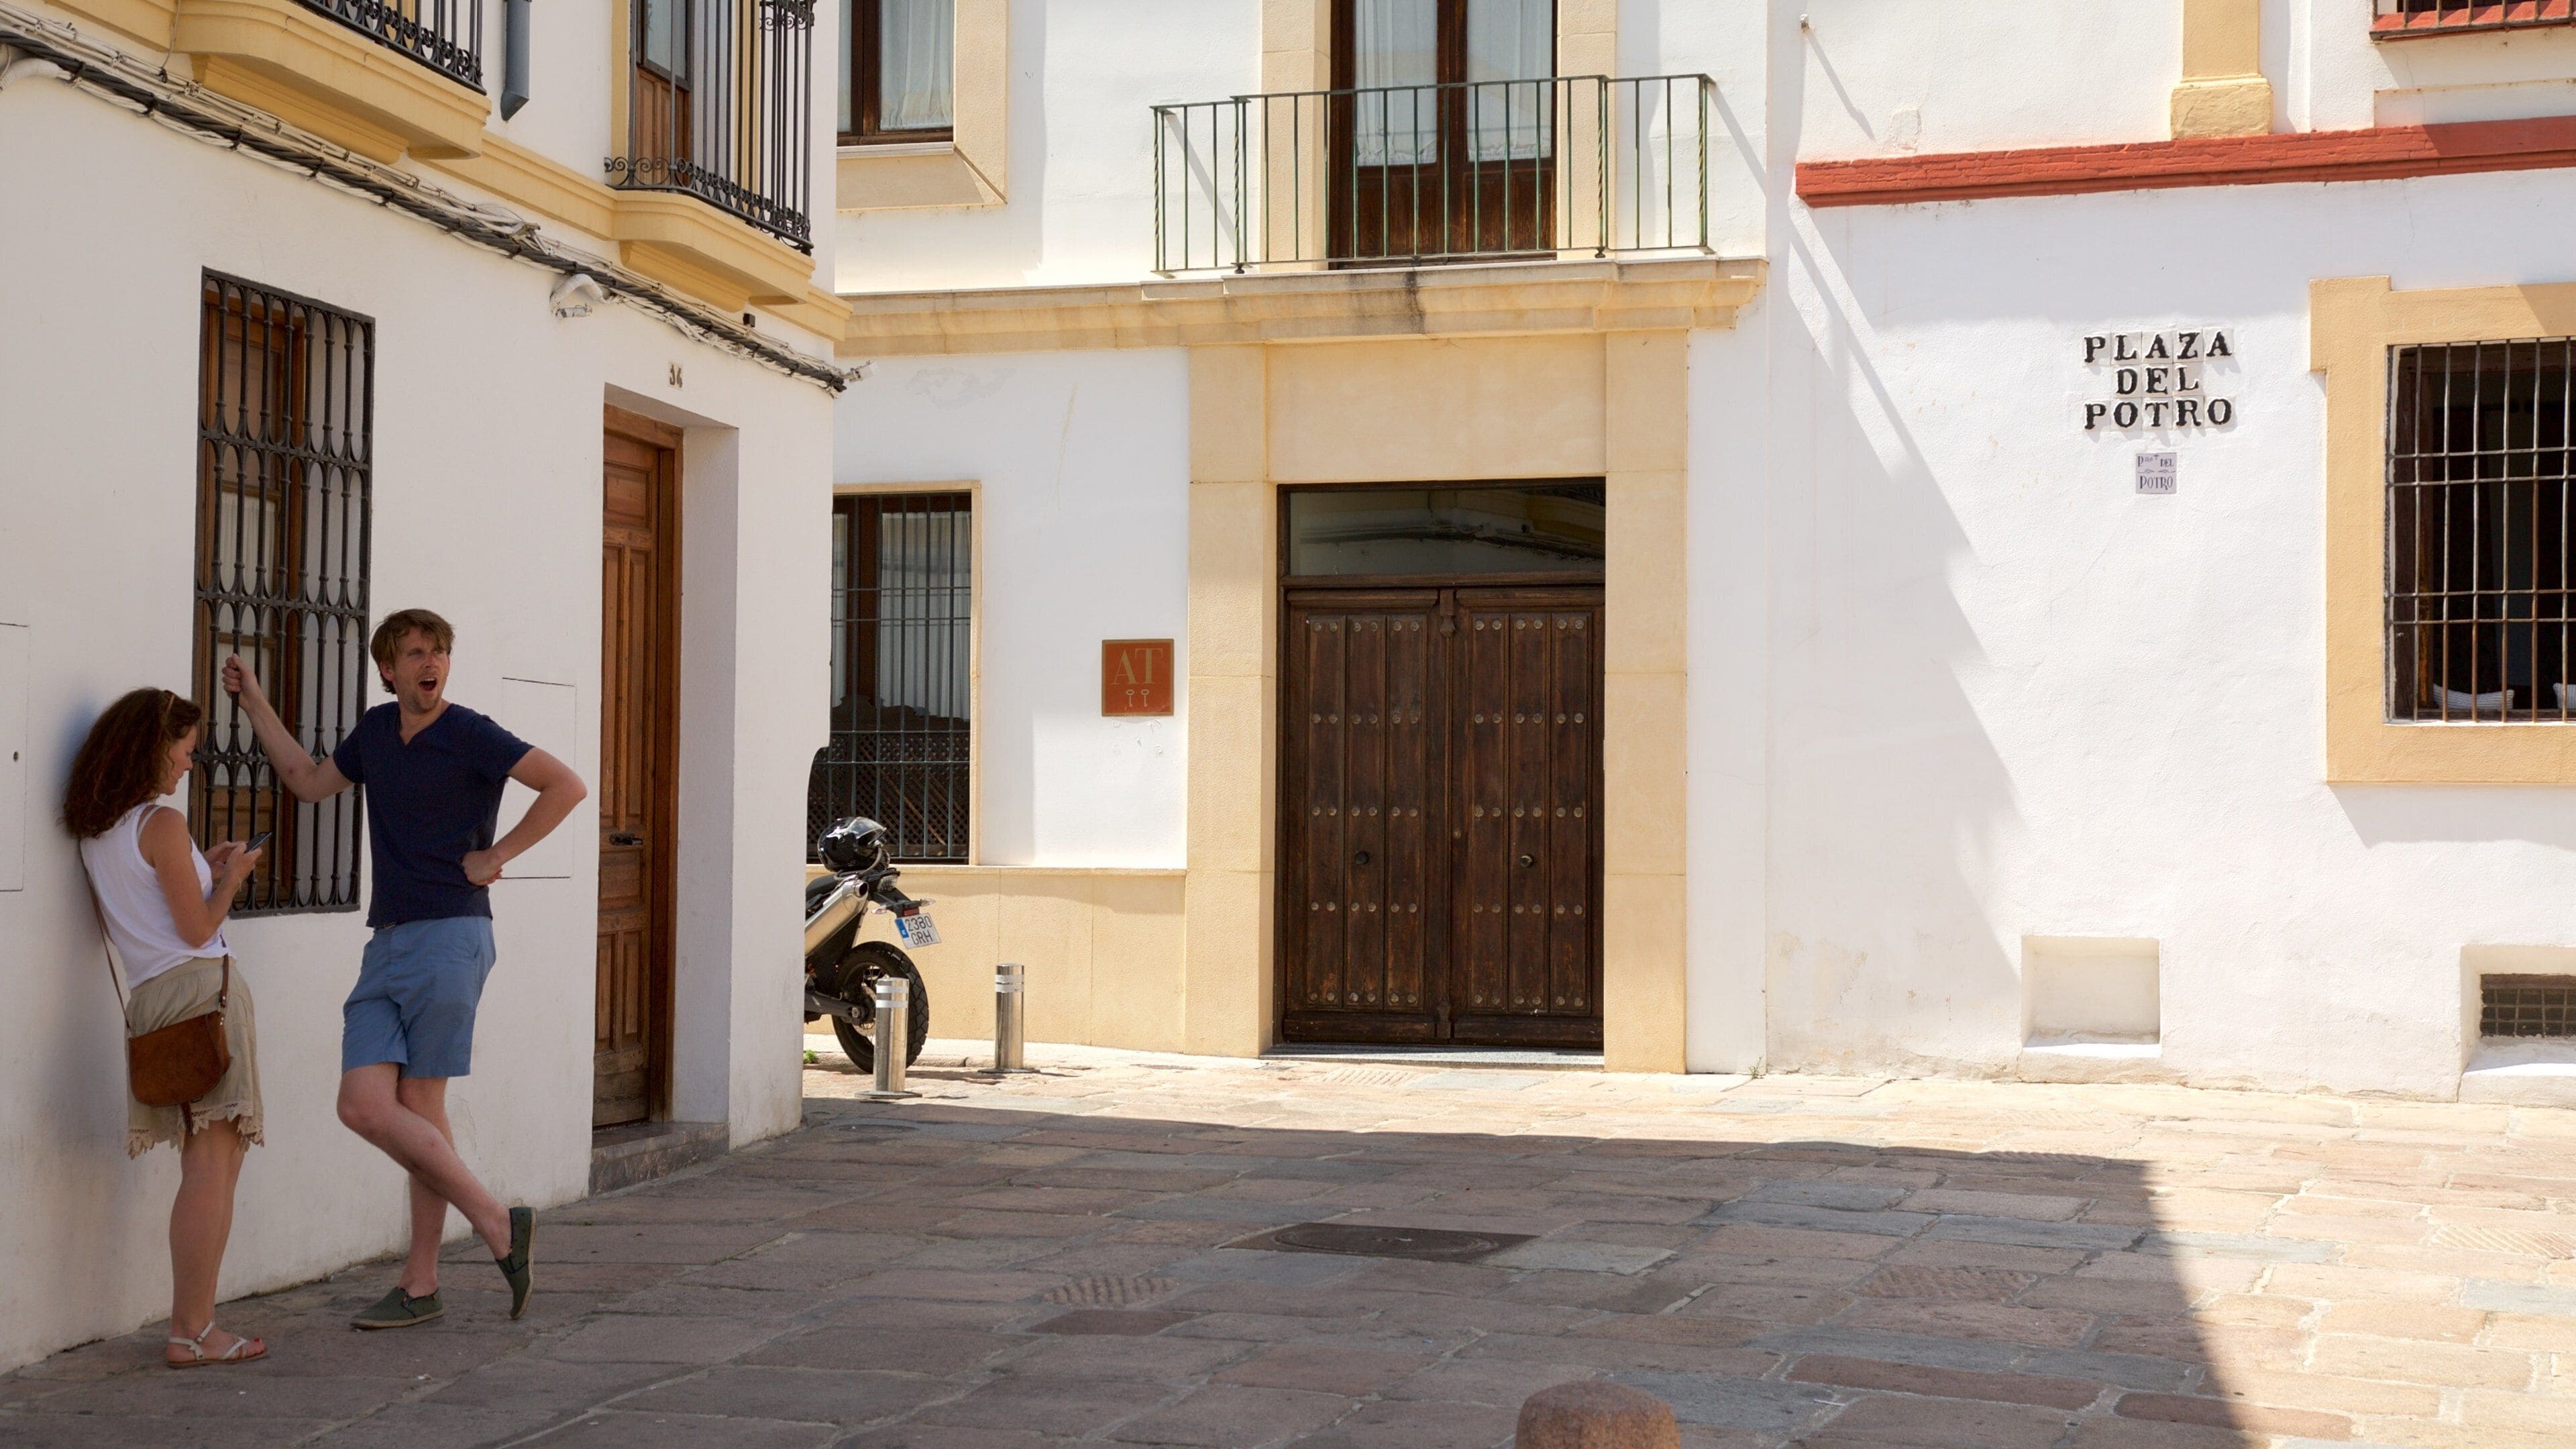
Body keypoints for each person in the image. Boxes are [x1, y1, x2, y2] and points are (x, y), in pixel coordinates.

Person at [223, 608, 585, 1330]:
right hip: (387, 940)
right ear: (388, 668)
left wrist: (498, 855)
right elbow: (304, 780)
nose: (432, 663)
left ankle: (421, 1283)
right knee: (364, 1104)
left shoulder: (470, 732)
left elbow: (565, 787)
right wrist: (255, 701)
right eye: (416, 652)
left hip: (451, 933)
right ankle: (497, 1223)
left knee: (419, 1108)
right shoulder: (375, 734)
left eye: (441, 651)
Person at [63, 688, 269, 1367]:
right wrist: (232, 876)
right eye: (182, 752)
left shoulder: (99, 830)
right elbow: (197, 928)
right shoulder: (161, 823)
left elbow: (150, 914)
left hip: (153, 1000)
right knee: (213, 1168)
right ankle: (194, 1330)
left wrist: (200, 871)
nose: (188, 764)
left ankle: (192, 1326)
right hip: (202, 995)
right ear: (151, 748)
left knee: (200, 1166)